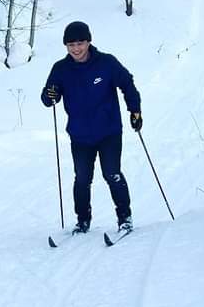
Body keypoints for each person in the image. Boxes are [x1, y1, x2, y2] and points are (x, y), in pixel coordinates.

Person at [40, 20, 142, 235]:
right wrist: (50, 95)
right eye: (71, 45)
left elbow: (127, 83)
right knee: (82, 178)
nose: (76, 49)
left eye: (80, 43)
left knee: (111, 173)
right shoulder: (61, 69)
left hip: (109, 132)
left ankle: (125, 218)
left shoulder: (106, 63)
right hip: (79, 135)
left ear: (88, 42)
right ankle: (82, 221)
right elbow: (49, 97)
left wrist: (135, 110)